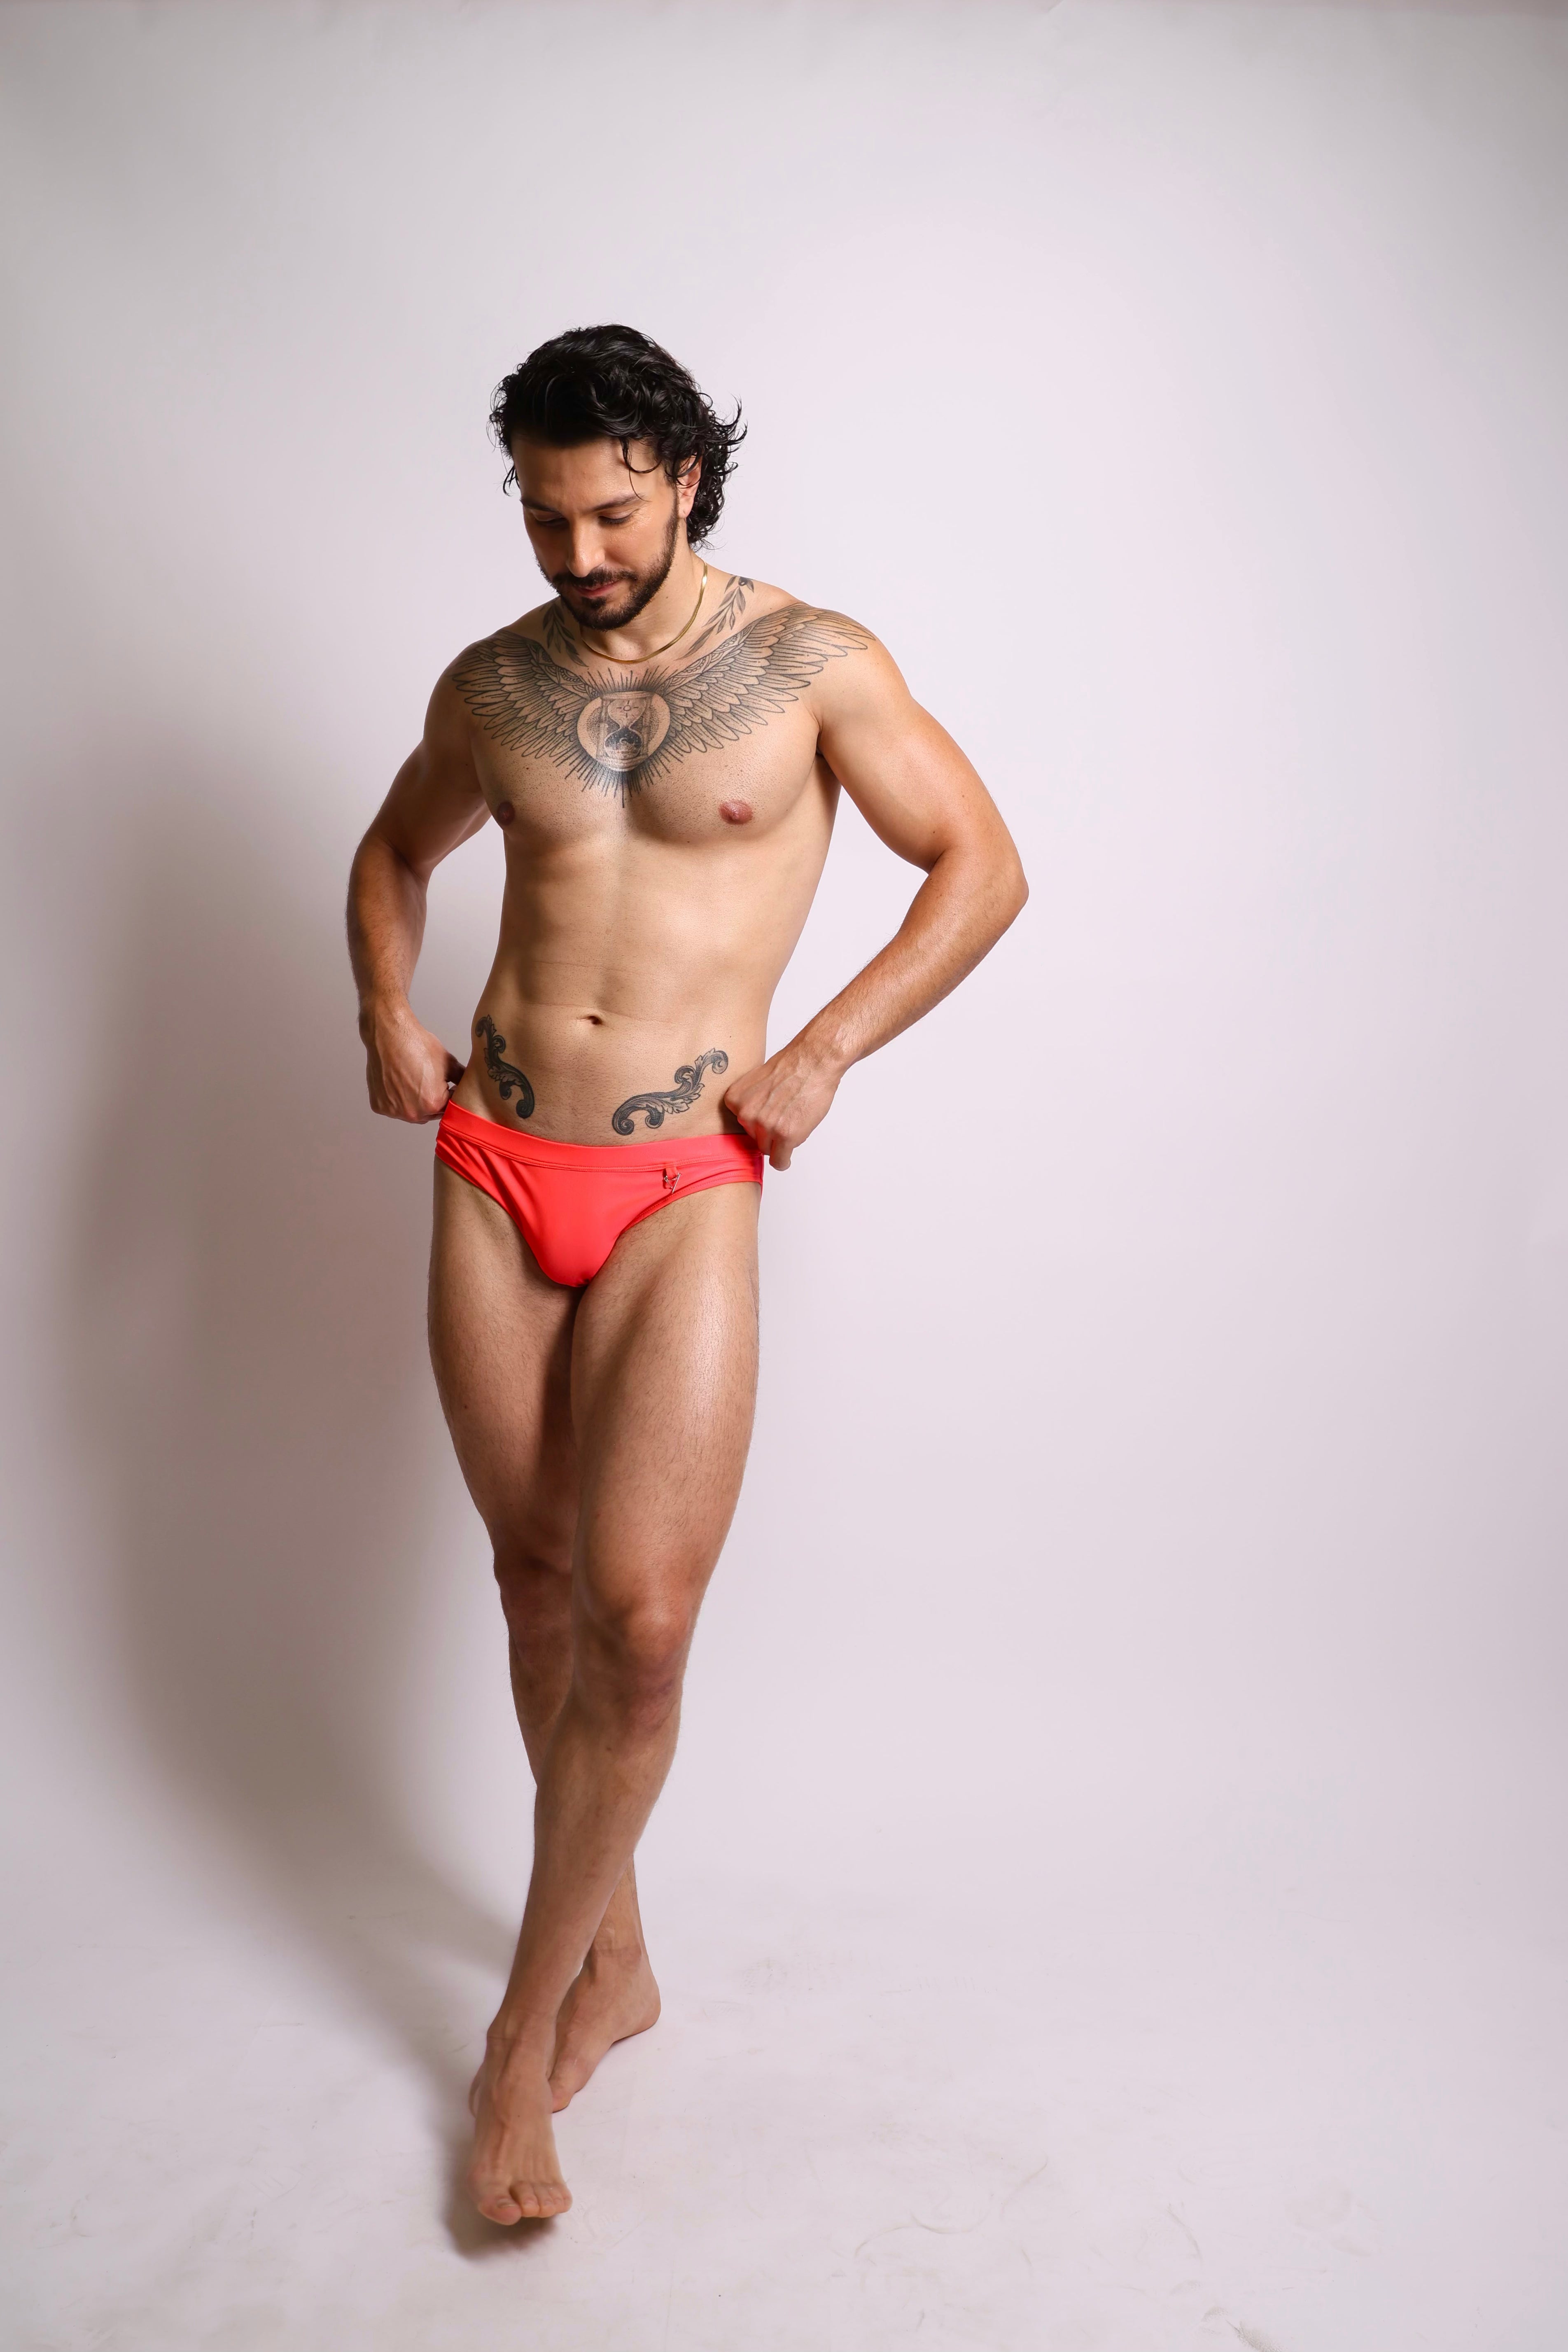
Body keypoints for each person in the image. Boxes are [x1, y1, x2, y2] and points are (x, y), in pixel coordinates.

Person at [346, 324, 1027, 2225]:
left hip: (681, 1180)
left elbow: (979, 864)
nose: (579, 554)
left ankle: (514, 2046)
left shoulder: (813, 666)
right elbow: (392, 854)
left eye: (613, 514)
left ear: (688, 481)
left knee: (638, 1628)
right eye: (545, 517)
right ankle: (615, 1965)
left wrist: (824, 1050)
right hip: (493, 1165)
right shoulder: (496, 684)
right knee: (534, 1581)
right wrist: (382, 1006)